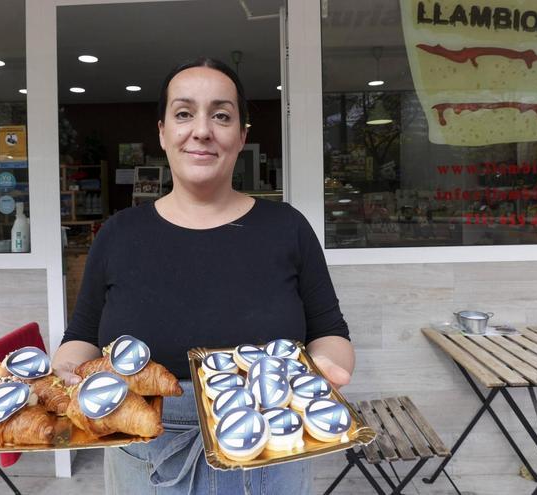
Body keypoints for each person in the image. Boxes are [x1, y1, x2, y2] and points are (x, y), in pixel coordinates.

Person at [52, 57, 354, 495]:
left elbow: (330, 333)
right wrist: (64, 372)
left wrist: (325, 369)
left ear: (241, 135)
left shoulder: (287, 228)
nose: (202, 130)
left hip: (272, 455)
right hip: (146, 458)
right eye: (183, 113)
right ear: (162, 131)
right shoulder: (118, 234)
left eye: (221, 115)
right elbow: (82, 336)